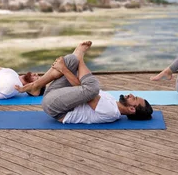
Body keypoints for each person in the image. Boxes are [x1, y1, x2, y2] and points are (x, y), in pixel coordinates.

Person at [16, 41, 153, 124]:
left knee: (92, 87)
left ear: (131, 109)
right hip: (59, 95)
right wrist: (67, 67)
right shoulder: (110, 99)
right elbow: (81, 89)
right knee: (71, 60)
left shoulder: (111, 112)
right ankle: (36, 86)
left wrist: (64, 69)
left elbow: (87, 91)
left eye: (133, 98)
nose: (130, 94)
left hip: (55, 107)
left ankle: (79, 56)